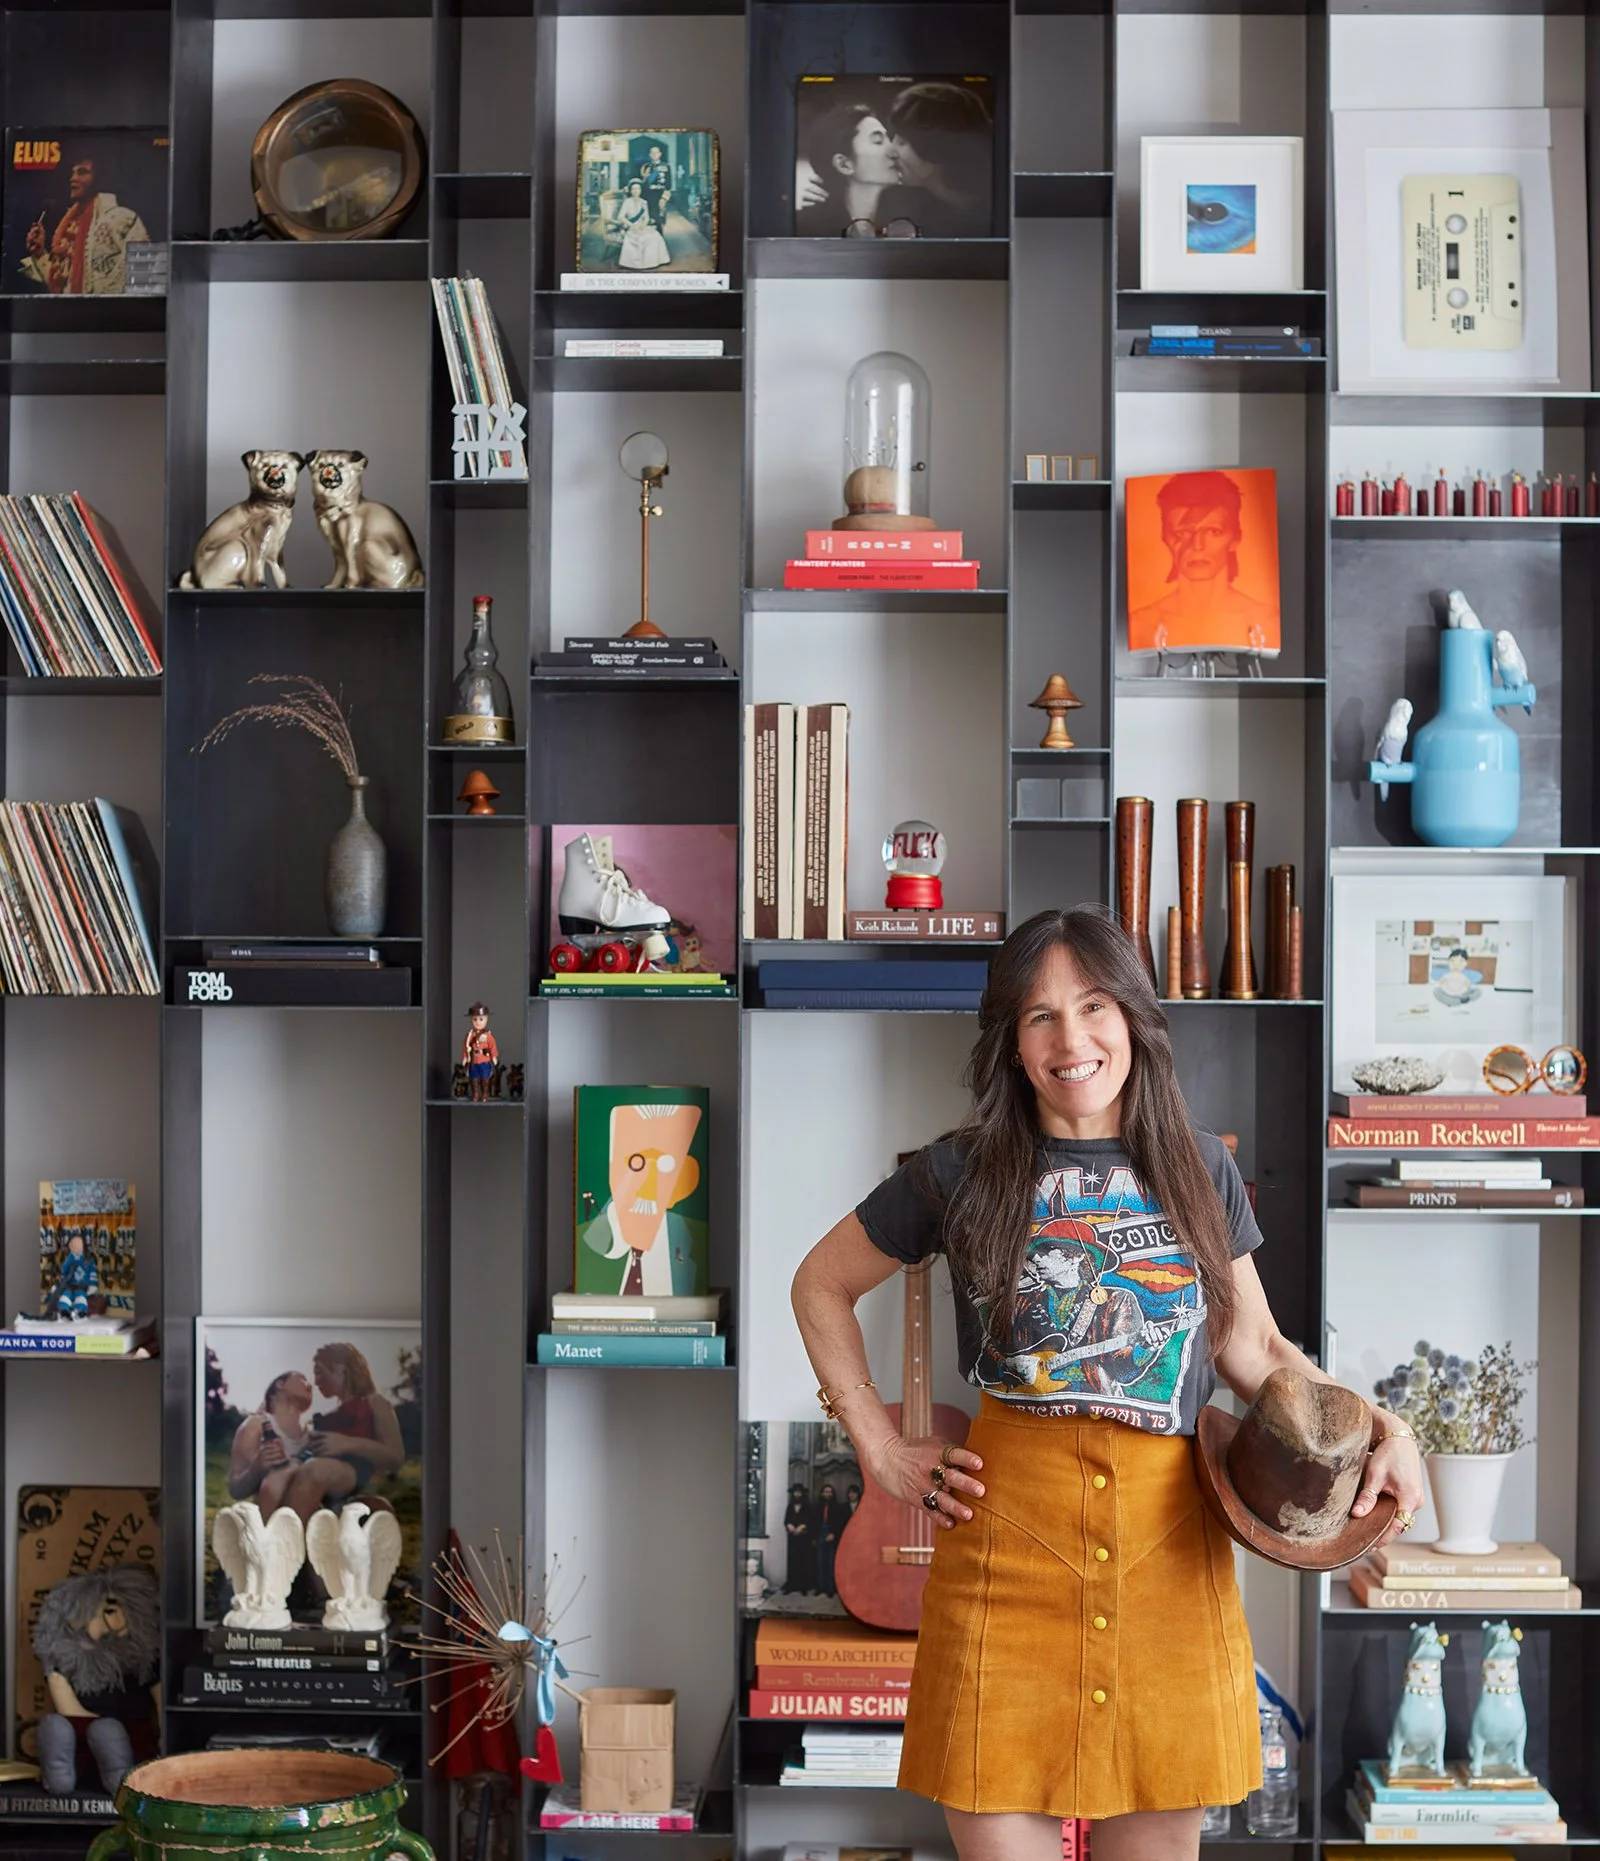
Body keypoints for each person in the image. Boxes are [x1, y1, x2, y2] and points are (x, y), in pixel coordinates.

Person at [791, 906, 1424, 1860]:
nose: (1071, 1038)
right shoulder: (958, 1169)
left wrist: (1389, 1430)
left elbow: (1257, 1349)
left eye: (1093, 1006)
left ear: (1132, 1016)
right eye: (1040, 1015)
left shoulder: (1201, 1165)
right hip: (1004, 1562)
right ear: (1012, 1041)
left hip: (1169, 1562)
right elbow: (821, 1283)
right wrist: (876, 1446)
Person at [1128, 469, 1278, 656]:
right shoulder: (1141, 624)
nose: (1197, 545)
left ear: (1235, 538)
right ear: (1165, 538)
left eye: (1213, 531)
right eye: (1183, 533)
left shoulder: (1267, 622)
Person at [21, 152, 150, 295]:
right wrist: (39, 254)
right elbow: (64, 286)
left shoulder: (122, 219)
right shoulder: (70, 229)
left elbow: (143, 273)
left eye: (82, 172)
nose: (73, 178)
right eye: (73, 172)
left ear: (98, 178)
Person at [795, 103, 902, 237]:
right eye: (878, 141)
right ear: (844, 164)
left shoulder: (910, 214)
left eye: (889, 140)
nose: (895, 152)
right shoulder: (805, 228)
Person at [228, 1370, 317, 1517]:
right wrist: (257, 1467)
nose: (309, 1385)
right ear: (280, 1384)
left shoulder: (313, 1434)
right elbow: (235, 1490)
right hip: (270, 1517)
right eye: (302, 1379)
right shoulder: (255, 1426)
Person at [615, 180, 671, 271]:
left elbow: (646, 217)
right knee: (638, 238)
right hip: (631, 227)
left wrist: (643, 226)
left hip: (642, 226)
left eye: (638, 189)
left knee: (655, 236)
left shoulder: (644, 202)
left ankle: (651, 262)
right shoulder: (627, 202)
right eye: (633, 189)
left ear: (641, 190)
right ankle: (635, 264)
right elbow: (620, 217)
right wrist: (632, 225)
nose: (636, 191)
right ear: (630, 190)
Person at [782, 1483, 818, 1593]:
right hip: (793, 1538)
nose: (797, 1494)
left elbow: (812, 1520)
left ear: (802, 1493)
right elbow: (786, 1520)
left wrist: (803, 1526)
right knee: (792, 1561)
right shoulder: (790, 1506)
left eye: (799, 1492)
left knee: (804, 1562)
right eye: (795, 1492)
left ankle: (803, 1587)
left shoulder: (808, 1506)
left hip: (804, 1538)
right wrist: (789, 1525)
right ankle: (792, 1585)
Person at [462, 1001, 499, 1103]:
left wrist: (494, 1057)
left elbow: (492, 1046)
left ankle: (485, 1094)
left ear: (486, 1020)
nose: (478, 1022)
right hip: (474, 1061)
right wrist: (465, 1057)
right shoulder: (470, 1035)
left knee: (485, 1079)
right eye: (475, 1019)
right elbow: (466, 1047)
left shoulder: (488, 1036)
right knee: (474, 1079)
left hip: (484, 1060)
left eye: (481, 1019)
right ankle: (475, 1094)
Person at [814, 1480, 847, 1594]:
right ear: (822, 1493)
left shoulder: (837, 1507)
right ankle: (820, 1587)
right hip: (820, 1534)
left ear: (833, 1494)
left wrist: (833, 1534)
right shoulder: (817, 1506)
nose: (828, 1494)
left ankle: (830, 1588)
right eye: (826, 1492)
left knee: (831, 1562)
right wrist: (815, 1537)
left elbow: (839, 1523)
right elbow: (814, 1522)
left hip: (831, 1534)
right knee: (820, 1562)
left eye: (830, 1492)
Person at [637, 143, 672, 229]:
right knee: (647, 218)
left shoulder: (665, 166)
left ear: (660, 154)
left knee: (658, 219)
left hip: (660, 195)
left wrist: (664, 198)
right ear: (650, 154)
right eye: (652, 153)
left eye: (656, 153)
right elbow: (643, 182)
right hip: (647, 195)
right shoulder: (646, 166)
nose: (654, 155)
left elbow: (669, 184)